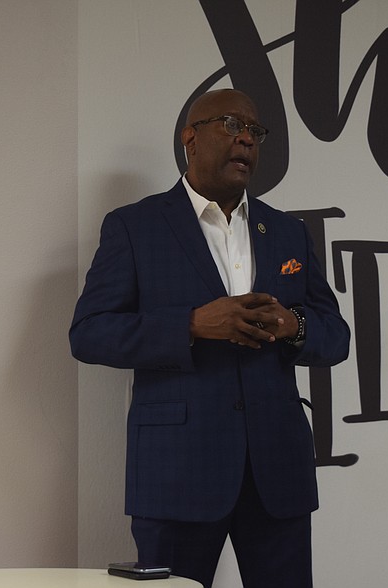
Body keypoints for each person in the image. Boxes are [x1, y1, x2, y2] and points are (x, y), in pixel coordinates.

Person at [70, 88, 350, 588]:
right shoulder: (135, 227)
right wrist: (192, 324)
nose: (246, 138)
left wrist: (293, 325)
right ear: (189, 138)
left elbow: (336, 336)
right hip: (177, 473)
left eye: (255, 130)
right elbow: (89, 334)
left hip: (277, 474)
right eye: (230, 124)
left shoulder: (288, 233)